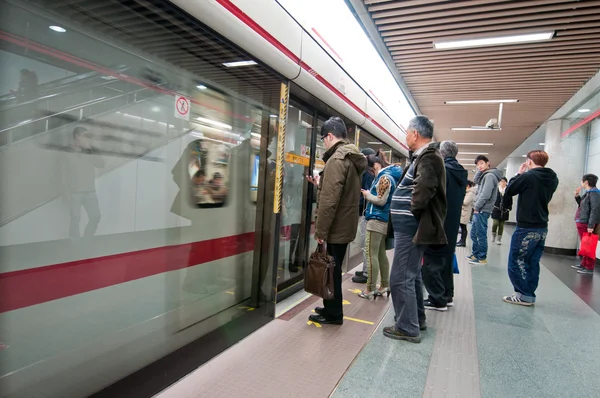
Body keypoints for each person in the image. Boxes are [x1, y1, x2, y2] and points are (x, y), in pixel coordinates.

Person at [383, 115, 447, 343]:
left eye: (407, 132)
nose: (406, 136)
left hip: (411, 227)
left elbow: (424, 189)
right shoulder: (425, 156)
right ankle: (417, 319)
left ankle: (407, 327)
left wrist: (412, 212)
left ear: (415, 134)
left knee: (400, 278)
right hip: (410, 227)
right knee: (412, 276)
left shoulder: (429, 157)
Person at [307, 117, 366, 325]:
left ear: (330, 136)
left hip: (335, 227)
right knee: (333, 269)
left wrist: (320, 231)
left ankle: (333, 314)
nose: (323, 142)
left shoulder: (336, 160)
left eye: (323, 138)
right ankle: (330, 307)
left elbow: (330, 201)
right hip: (344, 224)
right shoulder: (350, 158)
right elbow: (339, 193)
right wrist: (320, 185)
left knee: (331, 271)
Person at [502, 150, 558, 306]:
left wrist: (519, 174)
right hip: (542, 227)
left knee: (516, 260)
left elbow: (509, 190)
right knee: (532, 262)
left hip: (526, 226)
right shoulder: (553, 178)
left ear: (529, 162)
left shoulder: (528, 176)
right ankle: (529, 294)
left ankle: (523, 294)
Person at [422, 141, 467, 311]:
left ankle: (437, 299)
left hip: (438, 222)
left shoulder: (443, 171)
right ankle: (447, 296)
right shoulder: (460, 173)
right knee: (446, 260)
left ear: (441, 153)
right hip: (452, 223)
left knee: (431, 261)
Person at [357, 154, 402, 299]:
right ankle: (384, 285)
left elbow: (381, 200)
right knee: (381, 254)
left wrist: (367, 194)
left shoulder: (384, 178)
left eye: (371, 170)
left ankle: (370, 288)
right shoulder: (389, 176)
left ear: (376, 165)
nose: (371, 173)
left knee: (371, 256)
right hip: (382, 220)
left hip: (376, 219)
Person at [63, 126, 104, 238]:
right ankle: (75, 247)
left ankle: (87, 240)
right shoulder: (67, 152)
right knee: (75, 220)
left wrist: (90, 149)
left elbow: (101, 164)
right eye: (85, 136)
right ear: (77, 137)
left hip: (90, 191)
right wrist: (66, 192)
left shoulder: (89, 151)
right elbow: (63, 173)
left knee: (96, 216)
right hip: (75, 192)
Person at [467, 155, 502, 265]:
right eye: (477, 165)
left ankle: (481, 257)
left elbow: (485, 194)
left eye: (481, 163)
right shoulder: (485, 175)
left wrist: (477, 207)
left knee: (480, 234)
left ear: (488, 163)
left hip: (482, 209)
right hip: (479, 209)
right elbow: (476, 180)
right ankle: (475, 254)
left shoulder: (490, 176)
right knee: (474, 233)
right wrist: (479, 170)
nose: (479, 166)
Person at [353, 147, 377, 284]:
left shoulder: (367, 174)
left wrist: (358, 202)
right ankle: (365, 269)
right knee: (365, 243)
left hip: (365, 212)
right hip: (366, 212)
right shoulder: (371, 172)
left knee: (365, 243)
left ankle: (367, 273)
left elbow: (366, 193)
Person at [573, 174, 600, 275]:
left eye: (582, 181)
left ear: (586, 182)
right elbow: (583, 206)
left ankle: (589, 267)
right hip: (583, 221)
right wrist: (577, 196)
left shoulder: (594, 194)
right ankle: (584, 264)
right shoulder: (589, 193)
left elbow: (595, 210)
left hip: (586, 223)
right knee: (585, 244)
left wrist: (590, 225)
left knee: (589, 244)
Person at [491, 177, 513, 245]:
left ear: (506, 182)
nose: (503, 183)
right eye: (501, 181)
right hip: (496, 209)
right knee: (495, 223)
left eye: (504, 181)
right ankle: (493, 234)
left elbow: (510, 201)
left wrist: (509, 208)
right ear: (499, 182)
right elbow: (492, 198)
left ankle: (499, 239)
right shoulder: (496, 190)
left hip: (504, 211)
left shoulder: (508, 191)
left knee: (501, 225)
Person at [457, 181, 476, 247]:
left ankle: (463, 241)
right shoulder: (467, 192)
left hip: (465, 212)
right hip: (463, 212)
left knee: (463, 227)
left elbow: (465, 202)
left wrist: (459, 198)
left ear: (468, 186)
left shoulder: (470, 193)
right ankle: (461, 240)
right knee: (462, 227)